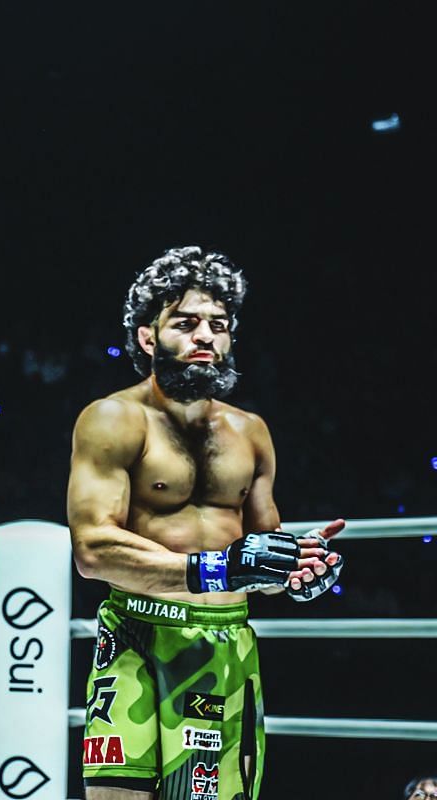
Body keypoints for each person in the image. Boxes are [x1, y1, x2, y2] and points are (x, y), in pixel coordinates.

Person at [66, 247, 345, 799]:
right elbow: (93, 550)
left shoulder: (252, 433)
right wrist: (217, 570)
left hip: (224, 644)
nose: (205, 337)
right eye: (186, 323)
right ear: (148, 337)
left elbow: (257, 557)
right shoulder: (113, 419)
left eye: (218, 326)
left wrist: (300, 569)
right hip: (136, 635)